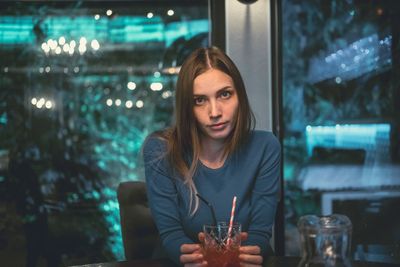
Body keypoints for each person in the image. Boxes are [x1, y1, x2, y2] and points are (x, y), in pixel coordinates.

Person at [143, 46, 281, 267]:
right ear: (187, 107)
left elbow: (260, 234)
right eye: (199, 100)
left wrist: (252, 253)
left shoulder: (266, 147)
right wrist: (188, 255)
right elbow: (171, 235)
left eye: (224, 94)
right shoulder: (161, 149)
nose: (215, 112)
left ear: (240, 96)